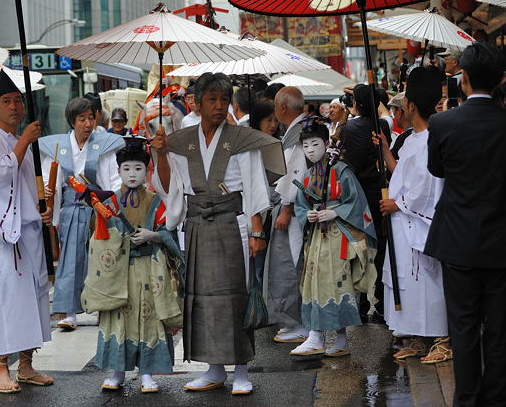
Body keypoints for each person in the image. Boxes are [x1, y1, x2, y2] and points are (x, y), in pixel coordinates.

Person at [150, 72, 285, 395]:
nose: (219, 105)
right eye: (212, 99)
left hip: (232, 221)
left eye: (224, 99)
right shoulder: (182, 140)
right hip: (196, 223)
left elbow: (254, 186)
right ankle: (213, 368)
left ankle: (241, 369)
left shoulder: (241, 139)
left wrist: (256, 232)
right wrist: (160, 154)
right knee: (201, 298)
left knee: (235, 297)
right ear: (196, 102)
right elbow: (171, 188)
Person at [424, 42, 506, 406]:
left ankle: (466, 399)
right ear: (501, 79)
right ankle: (498, 399)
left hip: (457, 237)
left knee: (463, 326)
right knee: (502, 329)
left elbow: (437, 169)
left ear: (463, 79)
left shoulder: (442, 122)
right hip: (504, 238)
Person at [0, 70, 55, 393]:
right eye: (6, 102)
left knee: (33, 295)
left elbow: (28, 189)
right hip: (4, 234)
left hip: (29, 230)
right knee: (8, 298)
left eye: (18, 101)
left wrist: (43, 208)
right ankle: (1, 368)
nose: (14, 107)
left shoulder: (25, 142)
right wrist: (23, 141)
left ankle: (27, 364)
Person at [92, 136, 184, 394]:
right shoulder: (108, 203)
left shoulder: (156, 200)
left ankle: (147, 372)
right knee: (117, 319)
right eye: (126, 168)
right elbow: (98, 237)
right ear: (118, 171)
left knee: (149, 319)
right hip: (117, 272)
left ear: (147, 170)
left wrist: (153, 236)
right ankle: (117, 371)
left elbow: (169, 231)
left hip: (148, 269)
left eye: (138, 168)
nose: (132, 174)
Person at [373, 67, 451, 364]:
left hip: (418, 222)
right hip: (402, 222)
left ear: (412, 106)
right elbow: (404, 174)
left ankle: (444, 338)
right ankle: (419, 336)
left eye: (405, 98)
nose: (401, 104)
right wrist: (385, 152)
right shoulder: (410, 139)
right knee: (408, 282)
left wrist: (398, 203)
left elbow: (428, 186)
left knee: (428, 280)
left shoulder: (432, 138)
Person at [291, 117, 377, 357]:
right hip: (317, 237)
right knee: (314, 283)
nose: (310, 150)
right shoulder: (308, 175)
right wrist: (306, 215)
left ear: (327, 142)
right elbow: (300, 204)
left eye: (315, 144)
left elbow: (357, 202)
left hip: (339, 235)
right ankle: (315, 335)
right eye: (306, 146)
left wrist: (334, 211)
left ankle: (340, 338)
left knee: (339, 284)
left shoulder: (341, 170)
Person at [40, 98, 123, 331]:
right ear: (72, 121)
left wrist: (114, 203)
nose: (88, 124)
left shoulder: (103, 143)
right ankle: (68, 312)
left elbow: (113, 177)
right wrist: (49, 192)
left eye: (91, 118)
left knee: (102, 258)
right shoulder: (58, 146)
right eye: (82, 119)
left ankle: (104, 307)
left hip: (98, 209)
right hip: (71, 210)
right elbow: (51, 179)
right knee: (70, 260)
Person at [340, 84, 392, 318]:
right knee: (380, 249)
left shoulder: (349, 127)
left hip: (357, 195)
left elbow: (348, 160)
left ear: (356, 104)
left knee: (358, 249)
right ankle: (381, 301)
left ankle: (359, 305)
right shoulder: (381, 125)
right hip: (379, 192)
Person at [267, 87, 310, 344]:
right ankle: (293, 320)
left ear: (282, 107)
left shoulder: (299, 132)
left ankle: (298, 322)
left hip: (293, 210)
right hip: (292, 207)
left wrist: (285, 208)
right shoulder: (298, 128)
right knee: (290, 262)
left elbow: (296, 173)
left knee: (292, 263)